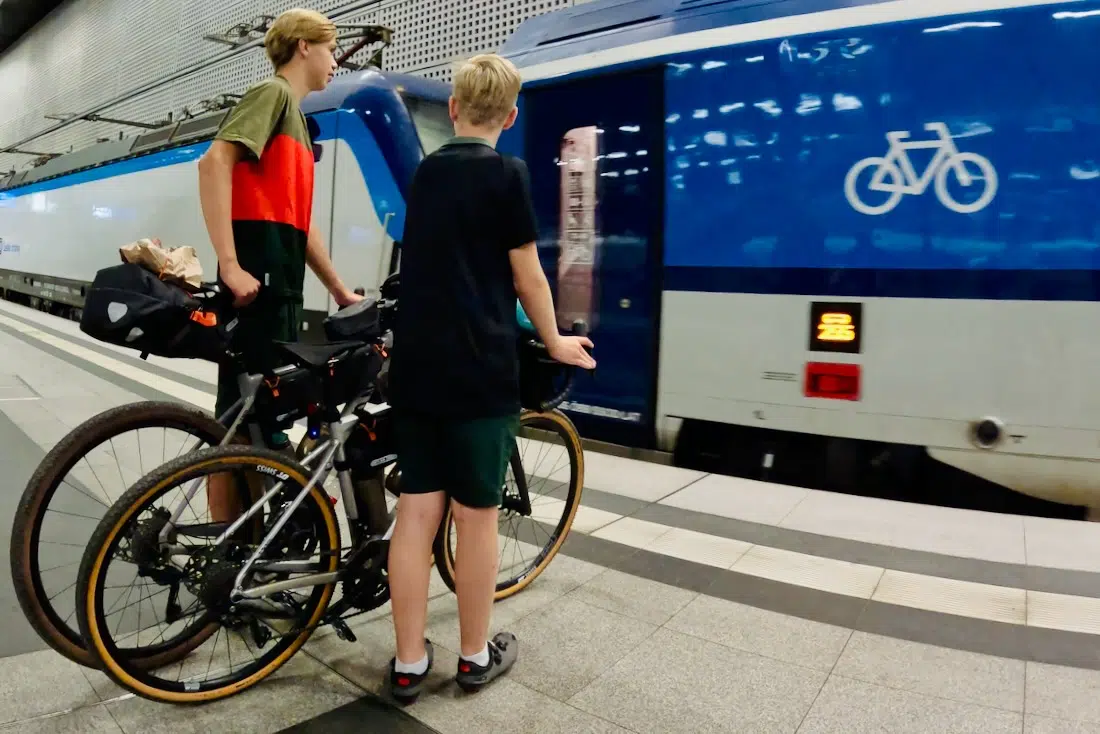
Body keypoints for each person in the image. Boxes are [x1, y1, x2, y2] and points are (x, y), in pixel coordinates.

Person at [385, 53, 597, 700]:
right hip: (480, 367)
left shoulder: (424, 176)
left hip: (417, 364)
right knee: (476, 517)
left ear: (452, 110)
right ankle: (473, 656)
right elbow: (527, 272)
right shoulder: (508, 174)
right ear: (509, 115)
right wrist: (555, 338)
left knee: (417, 511)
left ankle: (409, 663)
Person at [196, 8, 363, 523]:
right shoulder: (271, 97)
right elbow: (213, 162)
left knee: (254, 423)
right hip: (258, 286)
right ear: (304, 47)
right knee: (238, 423)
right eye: (331, 48)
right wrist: (229, 263)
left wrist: (339, 291)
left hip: (281, 292)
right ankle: (218, 552)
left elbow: (298, 222)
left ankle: (243, 542)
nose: (336, 60)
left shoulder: (297, 122)